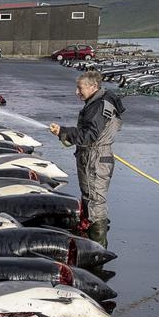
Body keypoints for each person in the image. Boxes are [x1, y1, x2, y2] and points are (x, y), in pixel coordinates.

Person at [49, 71, 125, 248]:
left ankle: (97, 250)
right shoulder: (98, 102)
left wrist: (63, 131)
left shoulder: (99, 106)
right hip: (92, 156)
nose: (77, 92)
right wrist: (64, 134)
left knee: (95, 202)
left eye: (80, 88)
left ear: (94, 87)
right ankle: (92, 239)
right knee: (90, 199)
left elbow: (89, 135)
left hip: (95, 158)